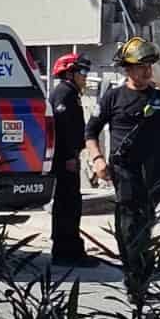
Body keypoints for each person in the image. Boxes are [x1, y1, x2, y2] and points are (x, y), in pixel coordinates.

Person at [84, 37, 160, 293]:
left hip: (156, 173)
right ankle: (135, 278)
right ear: (128, 69)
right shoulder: (113, 97)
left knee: (147, 223)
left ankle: (142, 275)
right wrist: (97, 159)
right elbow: (91, 132)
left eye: (149, 66)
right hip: (125, 172)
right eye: (142, 66)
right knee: (129, 226)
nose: (147, 71)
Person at [48, 52, 98, 268]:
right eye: (82, 71)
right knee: (68, 204)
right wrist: (69, 156)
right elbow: (63, 129)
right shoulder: (64, 94)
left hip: (68, 157)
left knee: (70, 203)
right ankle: (66, 251)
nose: (85, 76)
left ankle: (69, 248)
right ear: (69, 73)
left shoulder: (70, 93)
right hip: (65, 159)